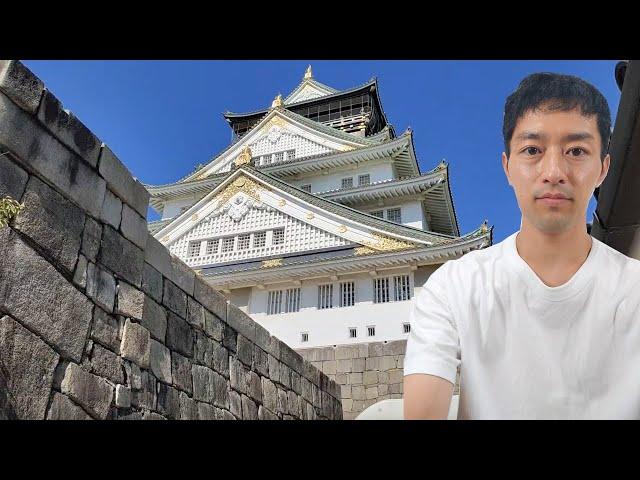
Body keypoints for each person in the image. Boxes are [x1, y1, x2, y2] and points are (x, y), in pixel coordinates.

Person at [403, 72, 640, 419]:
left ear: (603, 168)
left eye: (576, 151)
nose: (554, 171)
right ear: (507, 167)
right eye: (532, 150)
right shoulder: (455, 286)